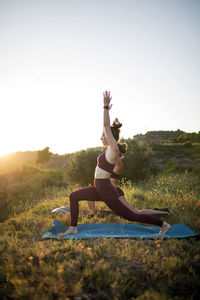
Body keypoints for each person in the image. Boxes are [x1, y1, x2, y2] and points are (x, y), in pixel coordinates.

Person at [58, 91, 171, 236]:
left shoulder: (113, 149)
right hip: (99, 187)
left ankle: (164, 224)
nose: (101, 137)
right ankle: (73, 227)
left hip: (106, 189)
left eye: (103, 136)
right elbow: (108, 129)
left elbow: (106, 126)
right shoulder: (108, 151)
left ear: (110, 138)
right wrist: (116, 127)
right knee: (73, 196)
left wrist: (105, 108)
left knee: (131, 216)